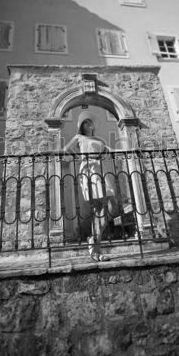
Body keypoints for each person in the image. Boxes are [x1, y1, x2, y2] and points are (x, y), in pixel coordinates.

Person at [63, 110, 118, 261]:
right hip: (90, 170)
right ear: (81, 126)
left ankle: (93, 240)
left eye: (90, 122)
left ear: (93, 126)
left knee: (112, 206)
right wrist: (81, 158)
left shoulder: (99, 140)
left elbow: (111, 151)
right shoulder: (79, 137)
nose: (88, 124)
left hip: (101, 170)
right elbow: (65, 149)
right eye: (85, 122)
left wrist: (132, 150)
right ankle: (96, 250)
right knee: (101, 207)